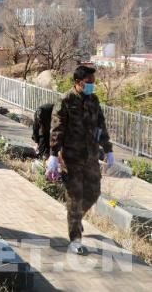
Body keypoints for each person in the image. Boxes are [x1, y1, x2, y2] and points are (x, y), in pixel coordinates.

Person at [46, 65, 114, 255]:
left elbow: (101, 125)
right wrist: (53, 155)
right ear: (77, 82)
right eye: (88, 82)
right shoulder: (66, 100)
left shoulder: (93, 100)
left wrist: (108, 149)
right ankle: (75, 239)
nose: (92, 85)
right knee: (75, 198)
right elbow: (57, 129)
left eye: (93, 82)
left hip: (91, 156)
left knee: (93, 192)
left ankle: (75, 217)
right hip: (71, 158)